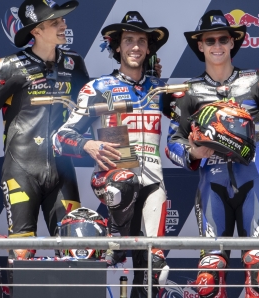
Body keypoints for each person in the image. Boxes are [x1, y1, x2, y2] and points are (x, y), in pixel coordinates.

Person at [164, 10, 259, 298]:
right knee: (208, 276)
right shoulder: (188, 92)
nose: (217, 45)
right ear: (200, 46)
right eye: (210, 40)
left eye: (222, 39)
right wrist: (193, 151)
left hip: (254, 181)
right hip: (211, 188)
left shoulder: (258, 82)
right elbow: (171, 143)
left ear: (233, 43)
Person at [0, 0, 88, 290]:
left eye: (62, 21)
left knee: (73, 249)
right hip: (21, 171)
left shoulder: (74, 63)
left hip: (64, 171)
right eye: (56, 22)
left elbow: (90, 109)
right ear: (38, 30)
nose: (64, 25)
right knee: (21, 252)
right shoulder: (7, 66)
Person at [51, 11, 170, 298]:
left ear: (148, 48)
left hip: (154, 184)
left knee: (156, 268)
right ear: (117, 47)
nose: (136, 47)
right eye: (128, 40)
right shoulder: (98, 88)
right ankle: (116, 239)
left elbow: (187, 124)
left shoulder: (160, 89)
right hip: (113, 180)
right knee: (123, 181)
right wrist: (87, 146)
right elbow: (59, 138)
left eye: (142, 41)